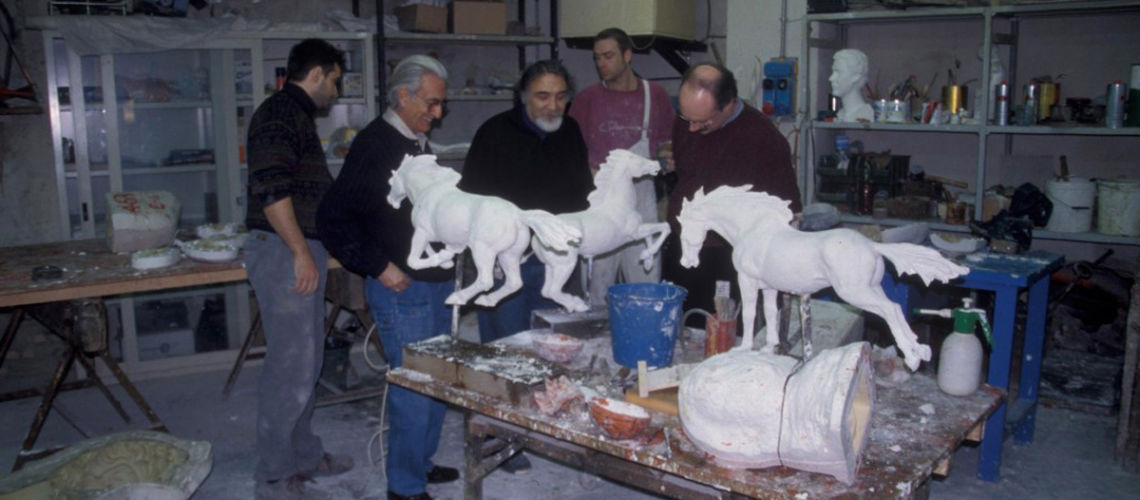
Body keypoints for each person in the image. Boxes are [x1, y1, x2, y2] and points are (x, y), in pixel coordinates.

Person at [317, 55, 458, 500]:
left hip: (434, 282)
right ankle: (404, 487)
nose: (437, 114)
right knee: (415, 387)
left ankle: (421, 463)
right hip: (403, 288)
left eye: (441, 105)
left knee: (436, 381)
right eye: (431, 104)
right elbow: (333, 219)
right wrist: (379, 266)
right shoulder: (375, 145)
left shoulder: (416, 142)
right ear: (403, 95)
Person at [456, 59, 594, 473]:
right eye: (542, 96)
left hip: (553, 261)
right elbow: (473, 204)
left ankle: (544, 429)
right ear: (523, 97)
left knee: (551, 350)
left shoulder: (569, 132)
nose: (553, 106)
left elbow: (582, 195)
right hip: (506, 260)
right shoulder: (494, 134)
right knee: (504, 351)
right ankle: (499, 436)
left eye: (560, 96)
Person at [244, 38, 353, 500]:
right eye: (335, 79)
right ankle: (272, 476)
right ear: (317, 73)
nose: (336, 89)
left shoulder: (295, 116)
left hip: (295, 247)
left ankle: (304, 457)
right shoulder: (278, 115)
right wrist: (301, 253)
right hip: (282, 251)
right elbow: (271, 191)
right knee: (288, 370)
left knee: (305, 365)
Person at [662, 62, 802, 325]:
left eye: (701, 122)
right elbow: (688, 172)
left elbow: (789, 212)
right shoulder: (687, 121)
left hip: (726, 258)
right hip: (683, 246)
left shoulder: (763, 140)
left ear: (728, 105)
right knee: (676, 330)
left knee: (719, 338)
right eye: (686, 118)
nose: (690, 129)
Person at [568, 27, 676, 306]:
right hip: (601, 207)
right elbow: (569, 152)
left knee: (645, 286)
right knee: (596, 288)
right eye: (597, 58)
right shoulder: (586, 100)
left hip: (641, 203)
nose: (601, 63)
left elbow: (666, 143)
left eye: (608, 56)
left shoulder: (657, 96)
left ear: (628, 55)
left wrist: (667, 155)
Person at [830, 48, 873, 122]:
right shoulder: (840, 115)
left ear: (855, 76)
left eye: (838, 72)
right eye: (833, 72)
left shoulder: (865, 114)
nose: (831, 78)